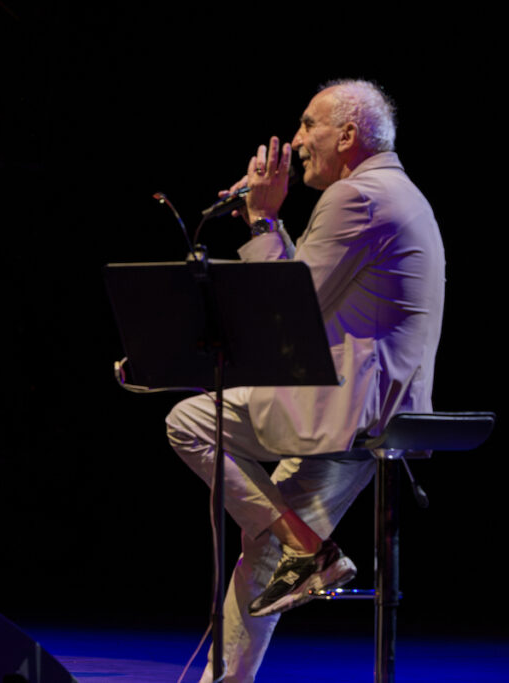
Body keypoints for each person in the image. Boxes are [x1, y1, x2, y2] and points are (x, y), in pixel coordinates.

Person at [166, 80, 444, 682]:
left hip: (351, 413)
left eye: (306, 126)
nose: (295, 141)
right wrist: (266, 227)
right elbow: (310, 291)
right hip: (364, 402)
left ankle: (308, 550)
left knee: (188, 421)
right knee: (263, 555)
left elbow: (285, 310)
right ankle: (299, 546)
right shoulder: (392, 193)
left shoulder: (358, 197)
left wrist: (264, 217)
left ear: (347, 135)